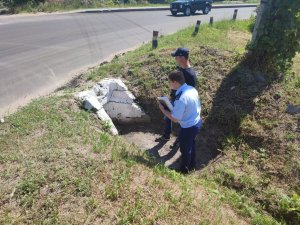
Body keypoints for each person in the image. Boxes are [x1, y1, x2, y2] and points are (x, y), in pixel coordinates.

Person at [158, 71, 202, 173]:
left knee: (185, 149)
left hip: (188, 127)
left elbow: (175, 119)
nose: (169, 84)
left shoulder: (181, 99)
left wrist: (163, 110)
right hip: (197, 121)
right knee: (192, 144)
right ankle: (192, 164)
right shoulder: (191, 89)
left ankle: (184, 170)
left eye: (169, 82)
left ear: (175, 82)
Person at [156, 47, 197, 142]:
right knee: (167, 117)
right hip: (174, 98)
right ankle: (166, 135)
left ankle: (179, 141)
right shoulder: (180, 68)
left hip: (180, 102)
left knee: (181, 121)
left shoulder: (190, 75)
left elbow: (190, 92)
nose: (175, 58)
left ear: (182, 57)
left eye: (176, 57)